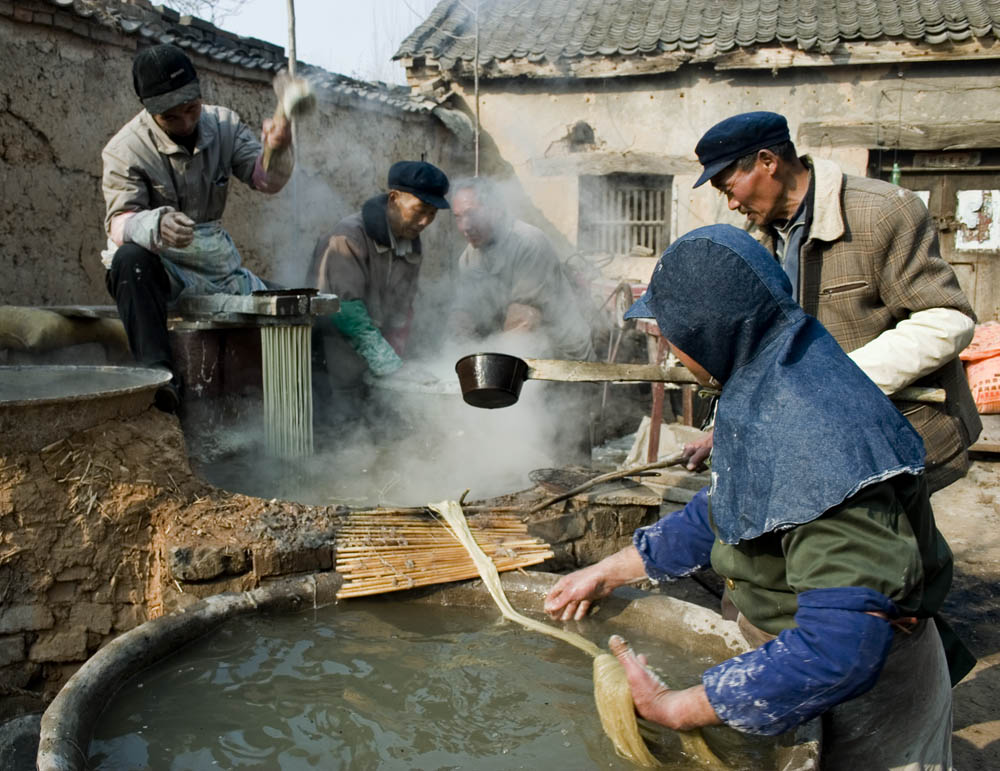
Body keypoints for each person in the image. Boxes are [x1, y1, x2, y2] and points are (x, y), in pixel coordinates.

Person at [545, 225, 973, 768]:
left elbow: (839, 649)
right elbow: (733, 511)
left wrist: (681, 706)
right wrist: (610, 570)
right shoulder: (772, 371)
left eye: (670, 334)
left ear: (706, 333)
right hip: (796, 660)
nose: (670, 352)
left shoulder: (815, 434)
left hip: (863, 693)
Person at [683, 112, 979, 492]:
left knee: (897, 546)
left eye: (729, 189)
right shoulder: (758, 241)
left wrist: (829, 384)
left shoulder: (883, 211)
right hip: (821, 445)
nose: (732, 205)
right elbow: (758, 350)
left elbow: (946, 320)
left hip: (896, 436)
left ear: (767, 162)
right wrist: (726, 427)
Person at [101, 44, 293, 412]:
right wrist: (155, 224)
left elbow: (266, 181)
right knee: (128, 260)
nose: (187, 123)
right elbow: (118, 223)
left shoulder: (224, 125)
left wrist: (278, 149)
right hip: (162, 264)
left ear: (200, 95)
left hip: (213, 260)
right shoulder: (124, 150)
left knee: (293, 306)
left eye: (192, 109)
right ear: (150, 110)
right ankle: (158, 380)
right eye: (172, 117)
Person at [307, 161, 449, 418]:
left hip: (373, 348)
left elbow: (403, 307)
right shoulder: (348, 237)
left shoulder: (411, 244)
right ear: (394, 199)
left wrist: (396, 354)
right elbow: (345, 310)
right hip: (333, 346)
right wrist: (389, 365)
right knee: (342, 419)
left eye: (432, 214)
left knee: (380, 420)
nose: (425, 221)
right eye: (419, 210)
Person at [448, 177, 595, 361]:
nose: (465, 226)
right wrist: (457, 357)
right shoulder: (468, 258)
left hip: (563, 357)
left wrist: (490, 366)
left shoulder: (529, 243)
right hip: (515, 355)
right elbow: (464, 315)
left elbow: (523, 322)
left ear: (496, 210)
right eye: (458, 217)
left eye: (472, 214)